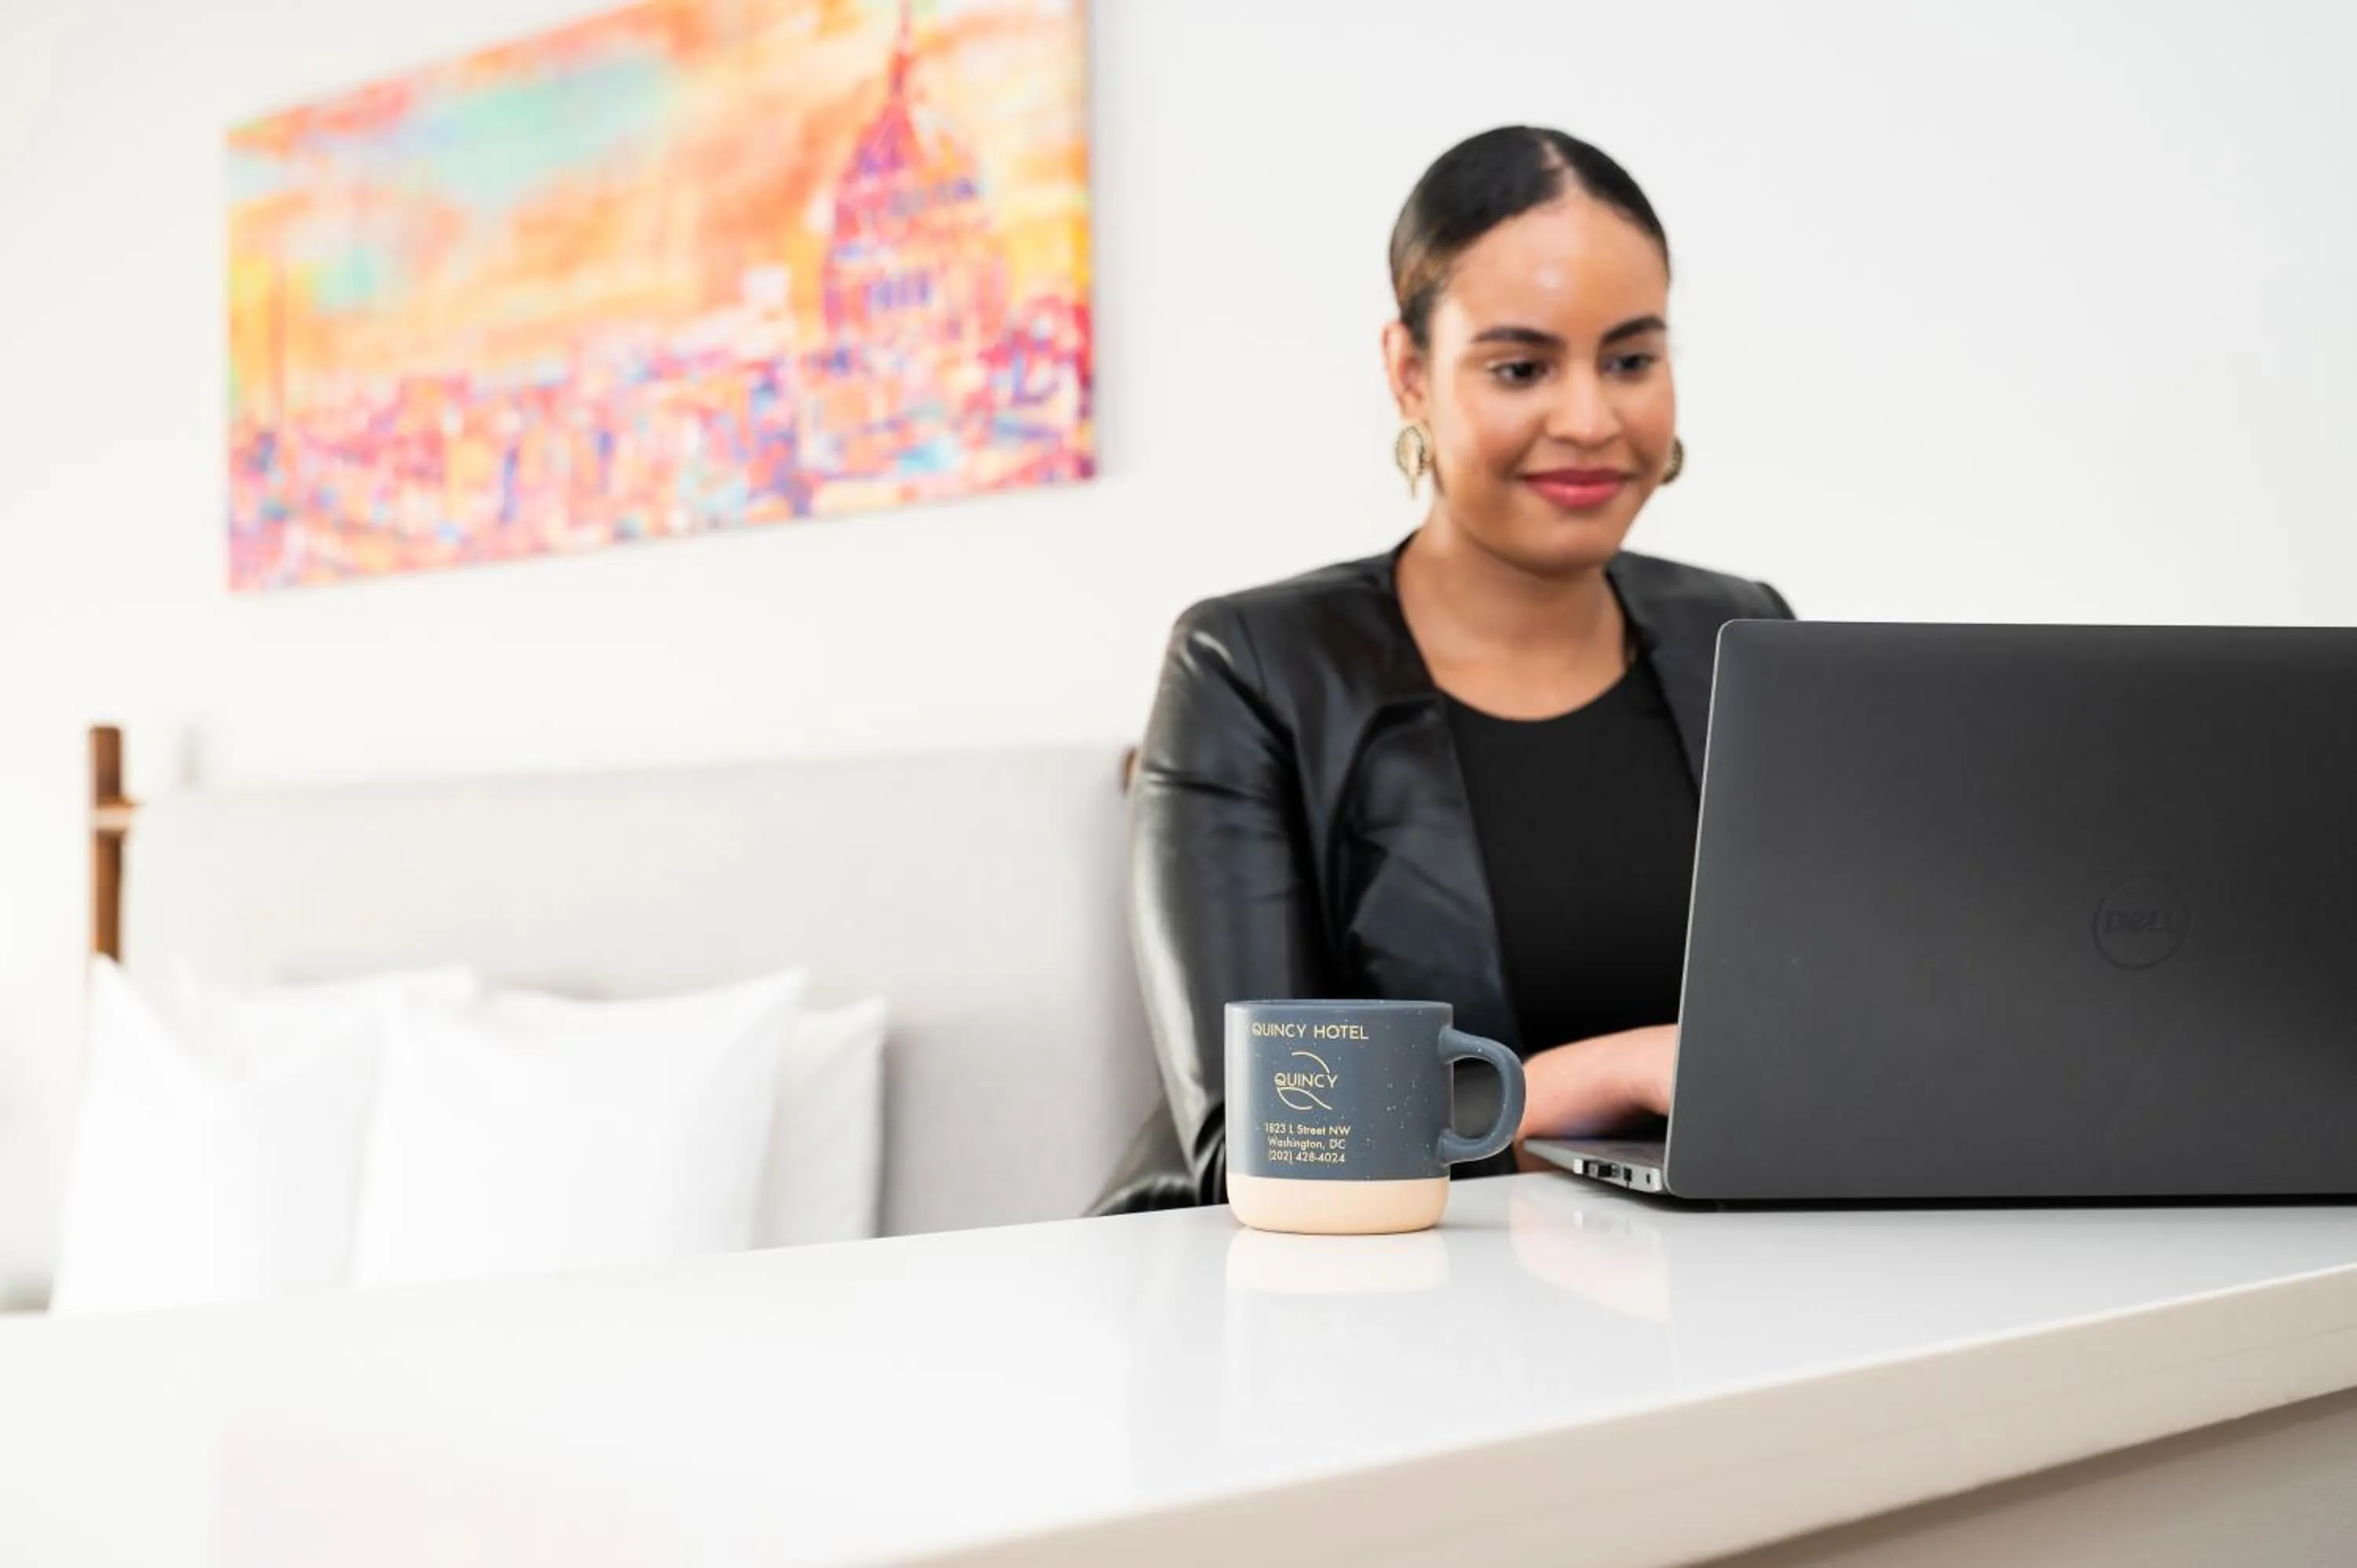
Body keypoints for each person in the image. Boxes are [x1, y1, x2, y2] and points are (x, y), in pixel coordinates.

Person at [1093, 126, 1794, 1214]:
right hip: (1314, 1295)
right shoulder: (1247, 670)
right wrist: (1606, 1079)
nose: (1590, 419)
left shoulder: (1743, 633)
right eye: (1520, 368)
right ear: (1410, 372)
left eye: (1630, 361)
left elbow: (1817, 1028)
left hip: (1686, 1281)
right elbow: (1262, 1148)